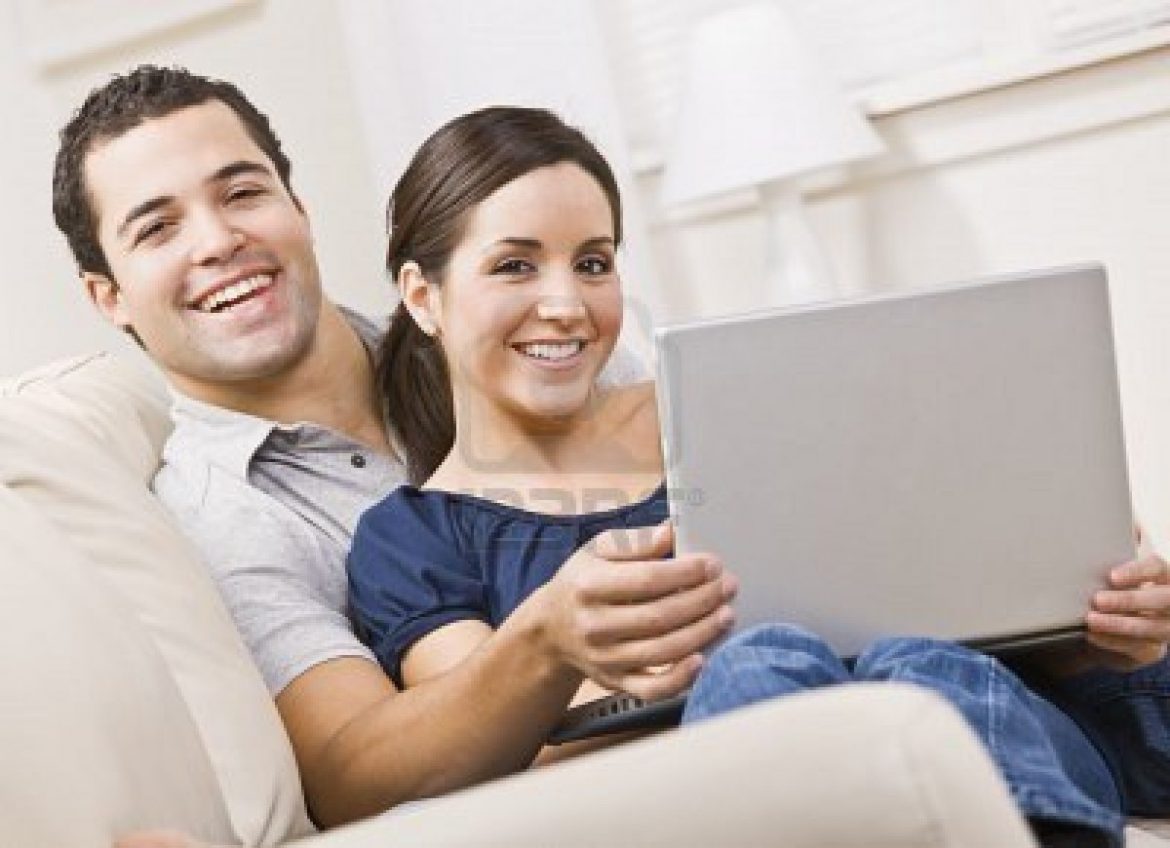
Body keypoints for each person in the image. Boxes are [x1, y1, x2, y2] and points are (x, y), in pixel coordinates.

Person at [344, 104, 1170, 848]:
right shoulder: (414, 538)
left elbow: (940, 579)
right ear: (424, 297)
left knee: (914, 661)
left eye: (593, 263)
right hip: (753, 781)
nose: (566, 303)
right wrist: (628, 663)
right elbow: (509, 754)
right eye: (515, 266)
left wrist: (1084, 604)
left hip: (975, 729)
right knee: (762, 662)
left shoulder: (741, 407)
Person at [51, 65, 734, 829]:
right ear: (108, 295)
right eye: (158, 227)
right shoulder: (222, 516)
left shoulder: (512, 330)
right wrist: (545, 647)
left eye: (243, 193)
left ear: (298, 208)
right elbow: (352, 775)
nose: (219, 241)